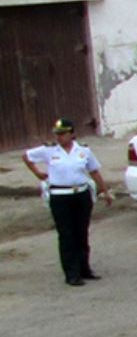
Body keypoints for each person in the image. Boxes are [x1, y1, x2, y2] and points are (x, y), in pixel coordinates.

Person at [23, 118, 112, 286]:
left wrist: (105, 191)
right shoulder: (49, 151)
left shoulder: (83, 151)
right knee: (66, 235)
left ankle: (84, 268)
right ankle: (71, 273)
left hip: (81, 194)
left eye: (63, 133)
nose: (59, 137)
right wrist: (38, 173)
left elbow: (94, 171)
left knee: (81, 232)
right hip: (60, 196)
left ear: (72, 134)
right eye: (57, 134)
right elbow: (27, 157)